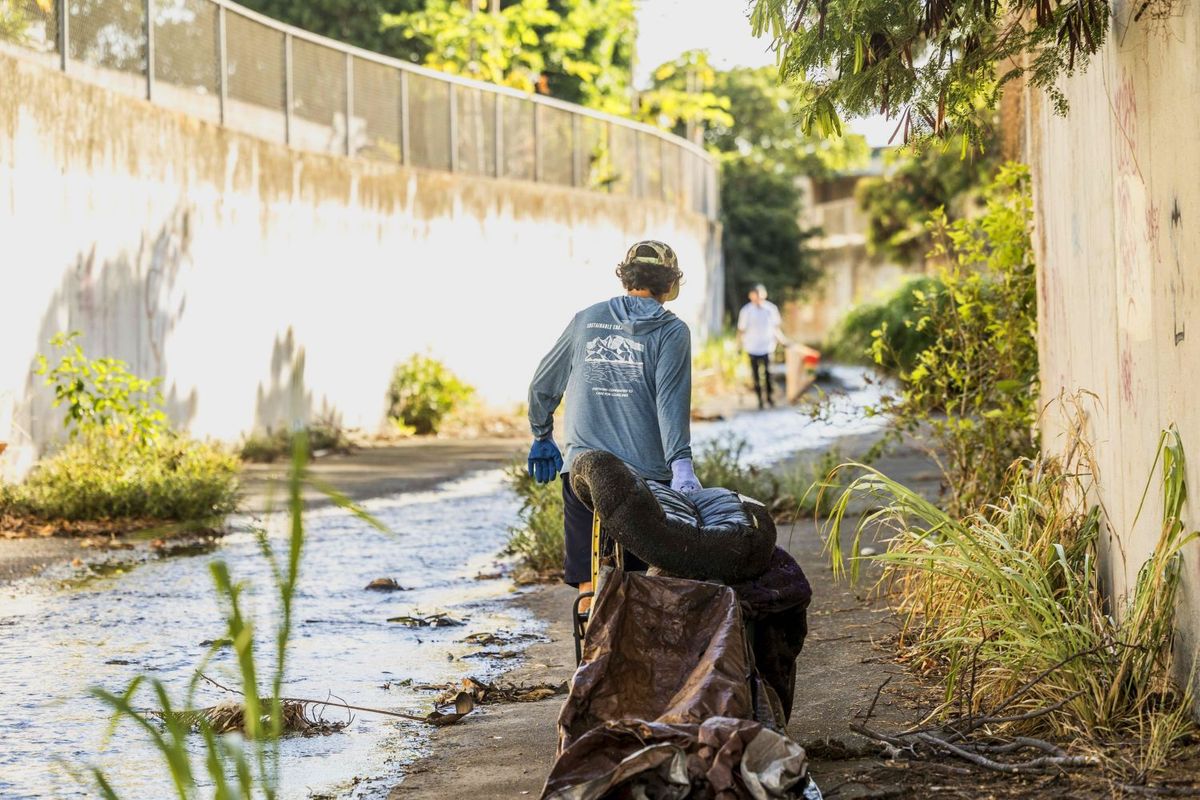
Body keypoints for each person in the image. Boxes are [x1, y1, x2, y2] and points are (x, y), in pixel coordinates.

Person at [526, 240, 700, 604]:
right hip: (644, 480)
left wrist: (542, 435)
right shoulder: (672, 332)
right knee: (643, 586)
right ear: (670, 284)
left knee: (588, 585)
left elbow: (542, 386)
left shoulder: (586, 319)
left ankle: (591, 637)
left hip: (582, 475)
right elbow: (670, 404)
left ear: (625, 277)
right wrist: (681, 465)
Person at [737, 284, 787, 409]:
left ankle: (769, 398)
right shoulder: (746, 311)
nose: (758, 297)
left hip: (767, 346)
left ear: (764, 295)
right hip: (752, 347)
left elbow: (776, 328)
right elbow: (741, 330)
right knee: (756, 376)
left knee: (769, 374)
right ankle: (759, 400)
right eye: (756, 295)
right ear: (751, 296)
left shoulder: (771, 309)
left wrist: (783, 341)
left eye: (760, 294)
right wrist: (738, 345)